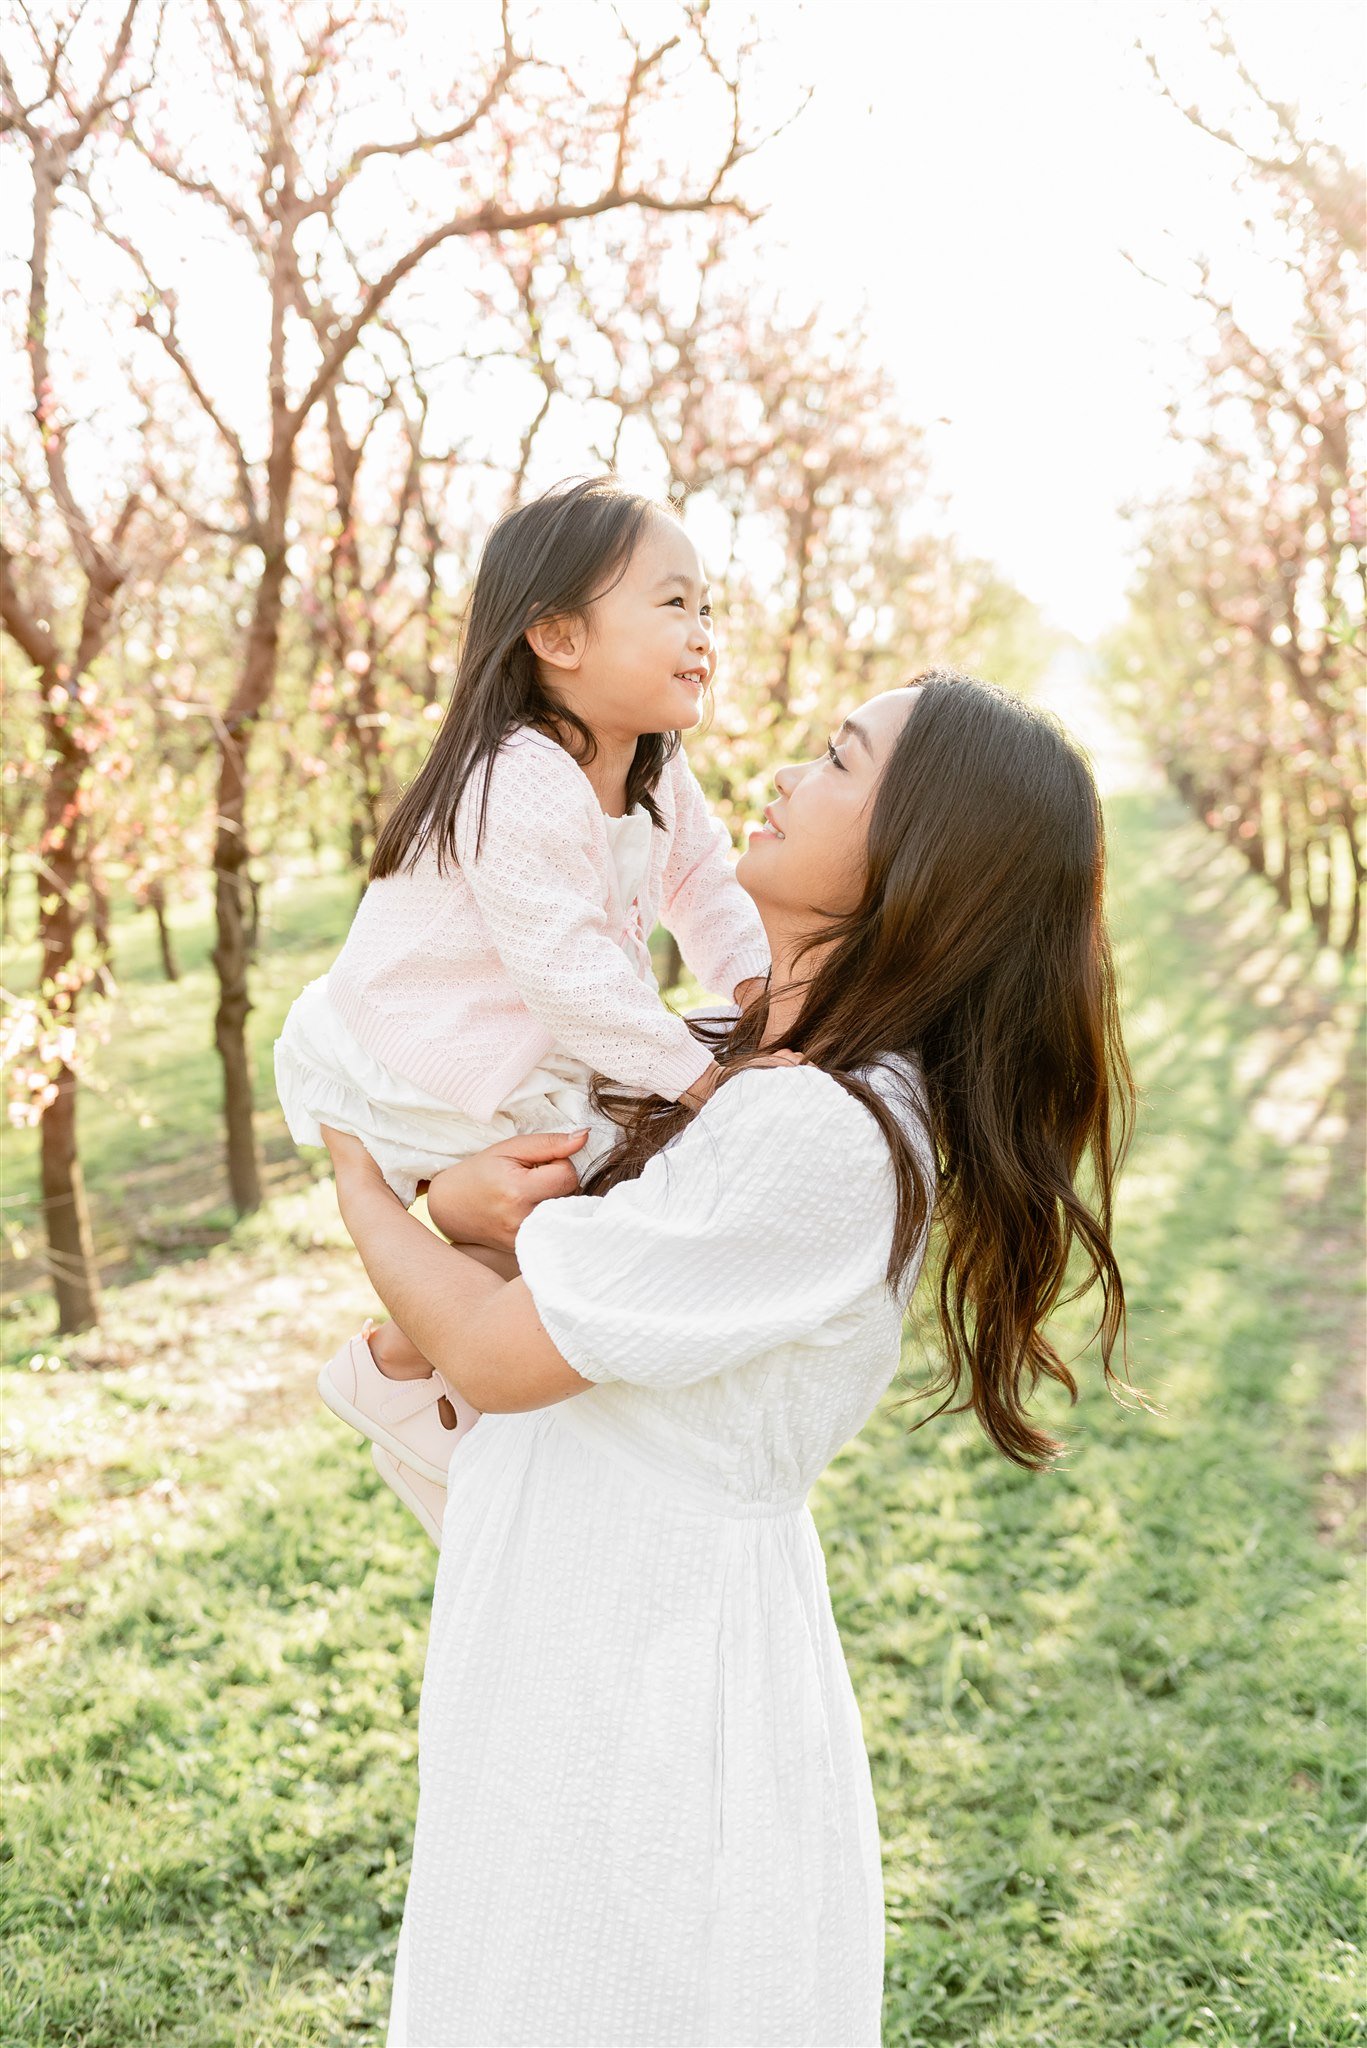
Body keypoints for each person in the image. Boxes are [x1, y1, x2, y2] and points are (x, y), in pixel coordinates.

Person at [322, 669, 1136, 2046]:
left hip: (647, 1669)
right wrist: (455, 1210)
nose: (776, 773)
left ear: (914, 862)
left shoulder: (820, 1132)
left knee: (600, 1986)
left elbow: (501, 1349)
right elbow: (496, 1259)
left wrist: (355, 1172)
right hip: (565, 1622)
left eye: (833, 760)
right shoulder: (717, 1063)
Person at [274, 477, 770, 1513]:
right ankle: (417, 1378)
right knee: (589, 1186)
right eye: (672, 602)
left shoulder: (654, 769)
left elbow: (707, 890)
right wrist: (704, 1077)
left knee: (573, 1196)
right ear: (556, 633)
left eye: (707, 606)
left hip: (515, 1047)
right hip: (419, 1050)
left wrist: (763, 989)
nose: (702, 631)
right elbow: (571, 974)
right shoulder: (519, 775)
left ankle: (411, 1380)